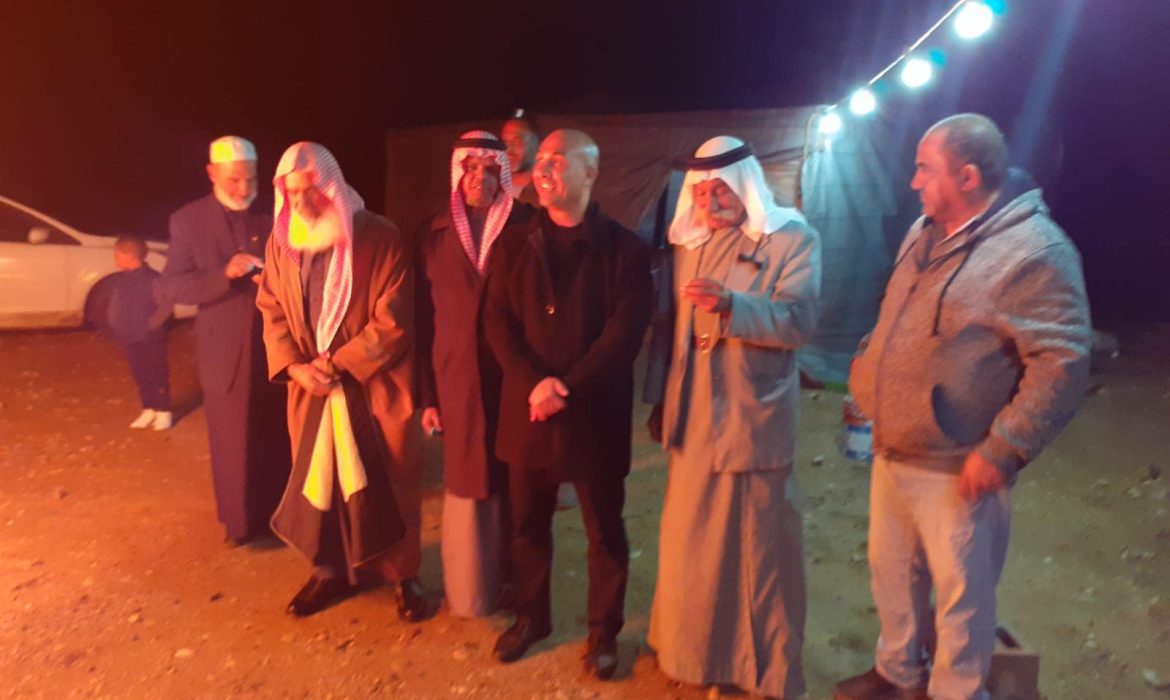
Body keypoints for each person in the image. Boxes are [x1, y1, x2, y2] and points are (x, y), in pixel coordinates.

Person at [835, 114, 1091, 700]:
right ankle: (898, 673)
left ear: (968, 177)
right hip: (894, 447)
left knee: (962, 596)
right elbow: (899, 316)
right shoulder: (922, 232)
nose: (913, 182)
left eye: (925, 169)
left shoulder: (1033, 251)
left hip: (959, 462)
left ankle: (957, 690)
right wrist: (869, 367)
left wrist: (1005, 448)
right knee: (892, 573)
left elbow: (1063, 361)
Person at [644, 135, 821, 699]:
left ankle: (759, 671)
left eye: (721, 190)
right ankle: (692, 654)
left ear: (747, 184)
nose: (711, 202)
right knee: (692, 541)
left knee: (757, 551)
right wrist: (661, 402)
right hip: (694, 416)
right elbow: (671, 332)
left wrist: (733, 306)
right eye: (701, 192)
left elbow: (799, 322)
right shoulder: (689, 244)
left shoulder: (792, 238)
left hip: (750, 419)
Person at [482, 129, 652, 678]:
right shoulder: (514, 244)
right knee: (528, 526)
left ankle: (603, 633)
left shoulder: (625, 251)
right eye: (542, 160)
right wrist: (535, 383)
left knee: (604, 531)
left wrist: (566, 388)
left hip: (593, 417)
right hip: (529, 411)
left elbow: (623, 335)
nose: (544, 168)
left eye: (558, 160)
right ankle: (532, 617)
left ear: (590, 173)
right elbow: (497, 322)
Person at [255, 142, 430, 622]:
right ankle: (329, 572)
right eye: (292, 194)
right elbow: (271, 310)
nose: (301, 203)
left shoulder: (379, 236)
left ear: (331, 187)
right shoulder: (281, 243)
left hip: (374, 385)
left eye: (310, 191)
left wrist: (338, 364)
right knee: (322, 486)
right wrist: (295, 367)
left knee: (391, 480)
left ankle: (402, 576)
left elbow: (394, 320)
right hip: (310, 389)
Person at [415, 131, 534, 617]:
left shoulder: (526, 226)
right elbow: (421, 320)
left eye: (489, 169)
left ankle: (518, 585)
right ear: (456, 172)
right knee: (466, 478)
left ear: (502, 173)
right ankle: (471, 592)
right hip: (455, 376)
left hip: (512, 377)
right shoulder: (432, 233)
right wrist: (427, 396)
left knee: (515, 479)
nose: (479, 178)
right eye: (470, 168)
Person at [158, 136, 291, 546]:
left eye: (251, 179)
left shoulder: (275, 212)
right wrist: (224, 275)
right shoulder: (188, 220)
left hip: (277, 341)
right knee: (232, 437)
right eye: (234, 180)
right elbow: (173, 286)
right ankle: (240, 525)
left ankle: (282, 517)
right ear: (212, 173)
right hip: (223, 348)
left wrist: (275, 276)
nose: (243, 188)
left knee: (278, 431)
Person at [109, 236, 174, 431]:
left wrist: (152, 325)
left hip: (150, 337)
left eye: (117, 255)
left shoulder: (153, 279)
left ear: (129, 256)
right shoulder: (121, 280)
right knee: (140, 373)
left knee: (157, 372)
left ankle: (164, 411)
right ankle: (148, 408)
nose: (114, 259)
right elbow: (115, 304)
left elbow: (166, 305)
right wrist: (116, 323)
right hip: (129, 336)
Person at [501, 113, 542, 208]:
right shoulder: (492, 187)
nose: (508, 149)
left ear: (537, 144)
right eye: (505, 142)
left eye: (517, 142)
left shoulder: (545, 194)